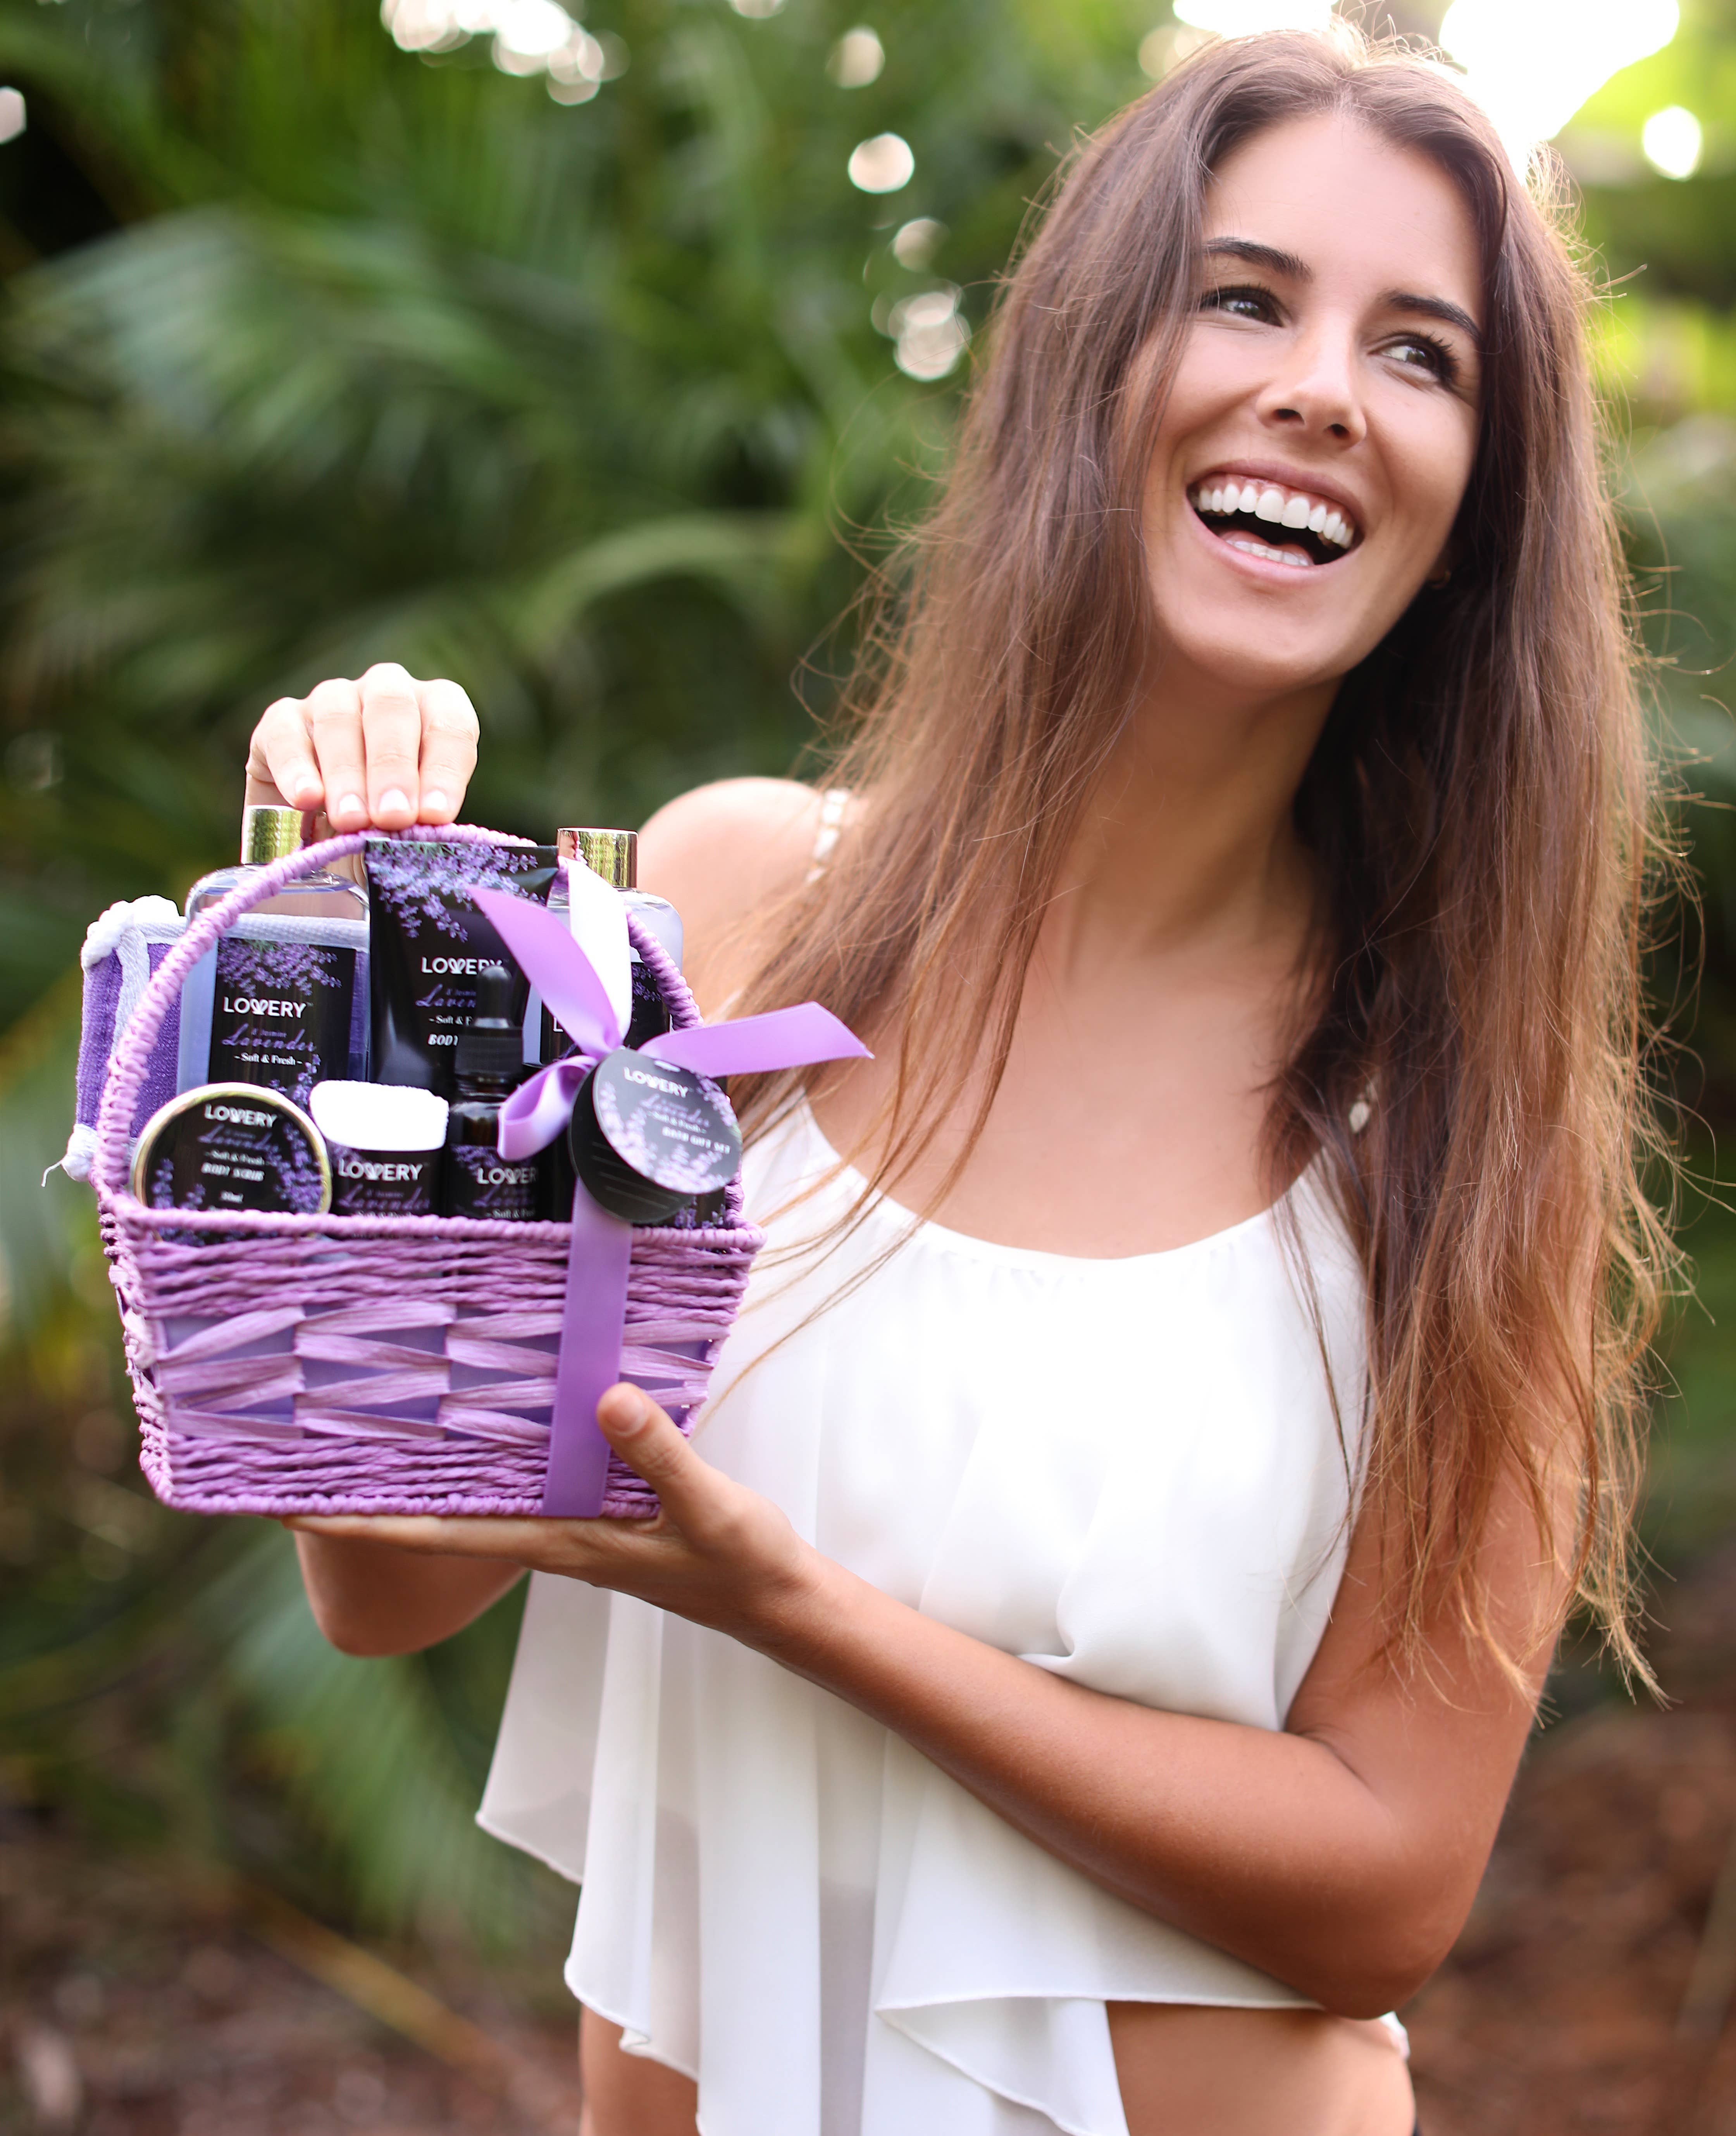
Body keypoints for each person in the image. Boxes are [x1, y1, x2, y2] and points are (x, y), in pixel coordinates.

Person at [253, 27, 1671, 2136]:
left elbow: (1385, 1886)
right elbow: (383, 1569)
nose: (1320, 388)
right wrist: (338, 950)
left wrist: (804, 1612)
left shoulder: (1458, 1126)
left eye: (1423, 354)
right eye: (1247, 295)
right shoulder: (734, 904)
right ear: (1091, 359)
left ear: (1475, 512)